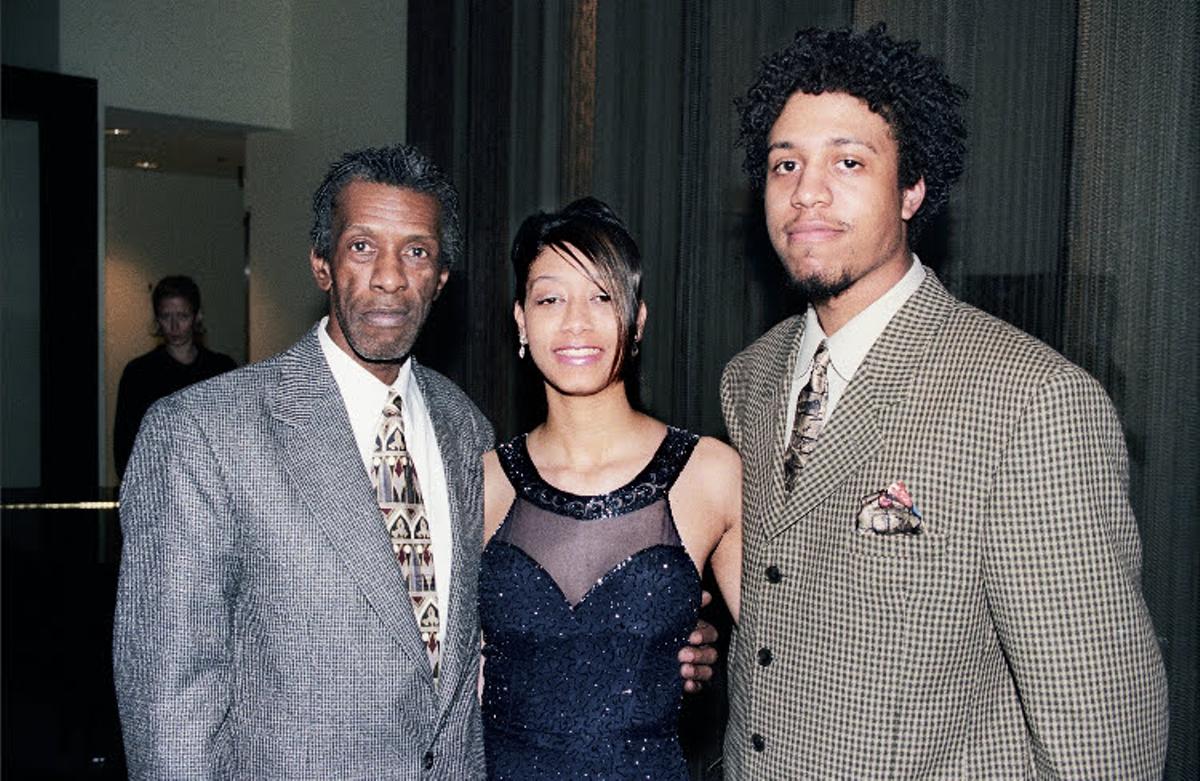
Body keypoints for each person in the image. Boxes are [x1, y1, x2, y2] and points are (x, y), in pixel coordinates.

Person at [113, 144, 714, 779]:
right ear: (322, 264)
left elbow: (501, 638)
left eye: (417, 252)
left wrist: (656, 637)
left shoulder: (465, 430)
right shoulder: (201, 432)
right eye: (363, 247)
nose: (391, 276)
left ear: (441, 279)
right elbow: (167, 701)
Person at [720, 24, 1169, 778]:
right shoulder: (751, 379)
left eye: (849, 161)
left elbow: (1101, 736)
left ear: (913, 188)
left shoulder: (1033, 403)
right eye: (785, 164)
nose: (807, 191)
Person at [478, 198, 742, 779]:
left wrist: (700, 645)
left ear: (638, 318)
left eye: (602, 297)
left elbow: (782, 662)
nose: (576, 322)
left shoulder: (710, 475)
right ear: (521, 320)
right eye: (550, 298)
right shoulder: (482, 482)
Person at [112, 275, 236, 479]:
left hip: (210, 483)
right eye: (166, 316)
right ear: (157, 319)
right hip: (156, 483)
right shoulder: (139, 373)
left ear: (197, 317)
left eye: (182, 316)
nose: (174, 326)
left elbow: (234, 436)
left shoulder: (221, 369)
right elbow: (125, 444)